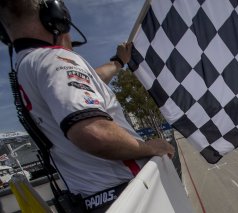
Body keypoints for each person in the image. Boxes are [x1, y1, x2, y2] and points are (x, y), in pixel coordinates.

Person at [0, 0, 174, 211]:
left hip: (93, 201)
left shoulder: (27, 68)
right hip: (129, 192)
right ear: (57, 19)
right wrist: (149, 147)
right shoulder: (55, 59)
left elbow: (92, 83)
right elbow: (92, 132)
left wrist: (118, 62)